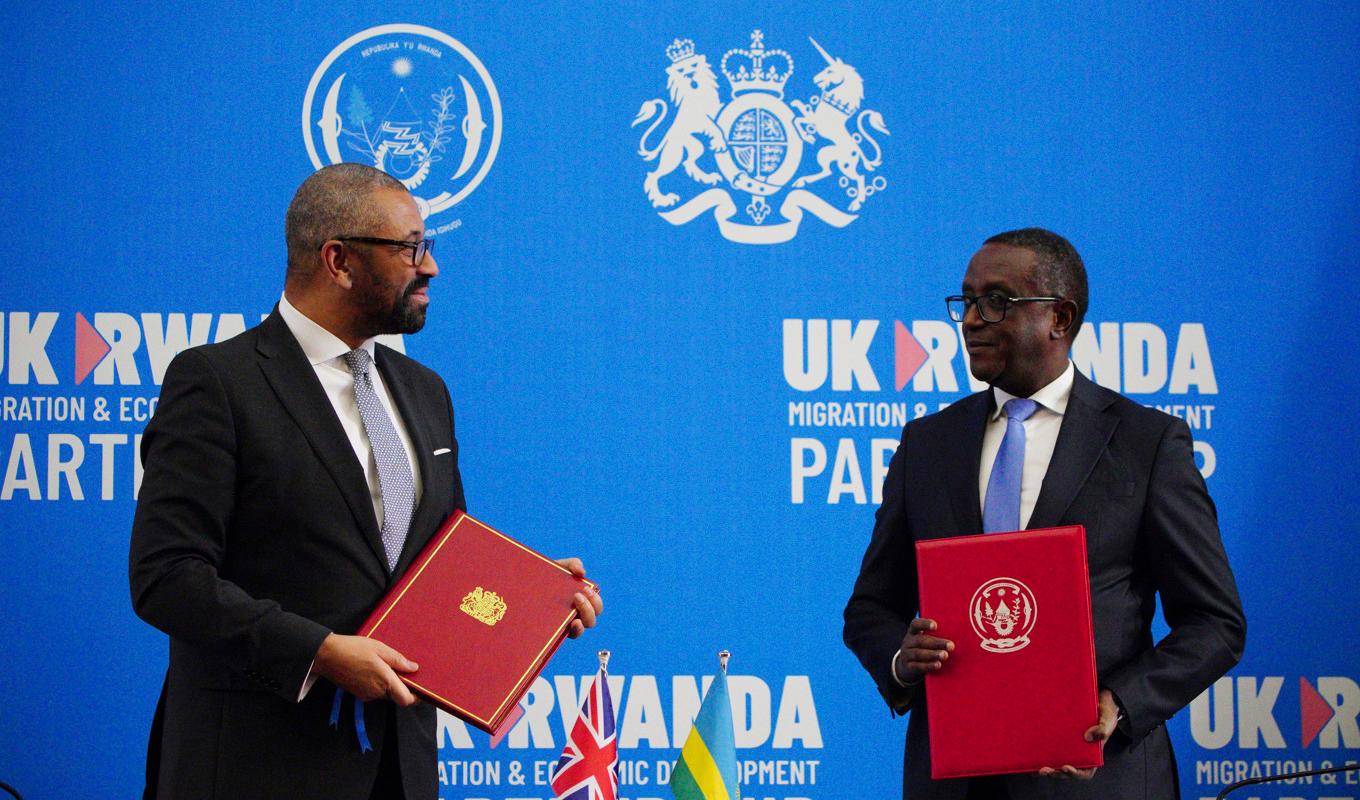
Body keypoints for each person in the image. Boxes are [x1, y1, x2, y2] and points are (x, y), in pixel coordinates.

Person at [129, 163, 603, 800]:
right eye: (409, 248)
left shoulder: (424, 392)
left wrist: (532, 604)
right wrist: (320, 651)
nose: (429, 267)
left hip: (397, 769)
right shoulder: (217, 382)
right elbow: (167, 578)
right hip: (255, 766)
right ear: (338, 260)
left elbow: (440, 568)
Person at [842, 228, 1245, 799]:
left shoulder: (1147, 444)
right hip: (955, 782)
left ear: (1060, 317)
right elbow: (871, 607)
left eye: (997, 301)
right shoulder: (927, 445)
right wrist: (902, 660)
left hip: (1100, 778)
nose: (972, 320)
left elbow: (1215, 623)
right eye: (966, 300)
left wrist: (1121, 706)